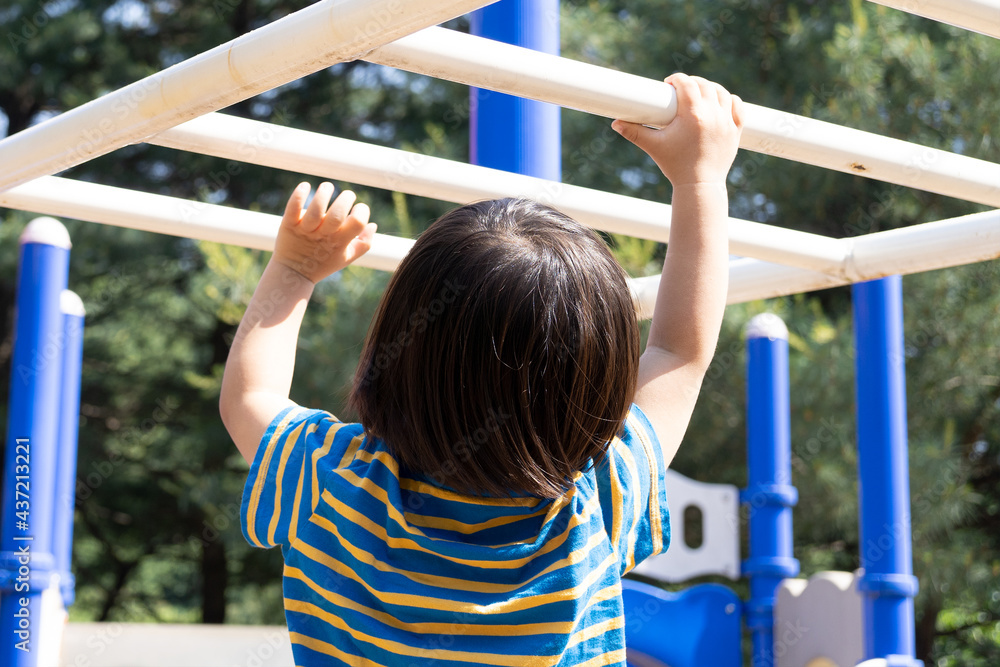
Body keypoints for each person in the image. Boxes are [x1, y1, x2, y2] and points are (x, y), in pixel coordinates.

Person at [220, 73, 743, 666]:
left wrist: (294, 271)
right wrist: (700, 179)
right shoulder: (595, 503)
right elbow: (680, 353)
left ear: (400, 350)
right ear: (595, 388)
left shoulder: (331, 481)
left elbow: (249, 395)